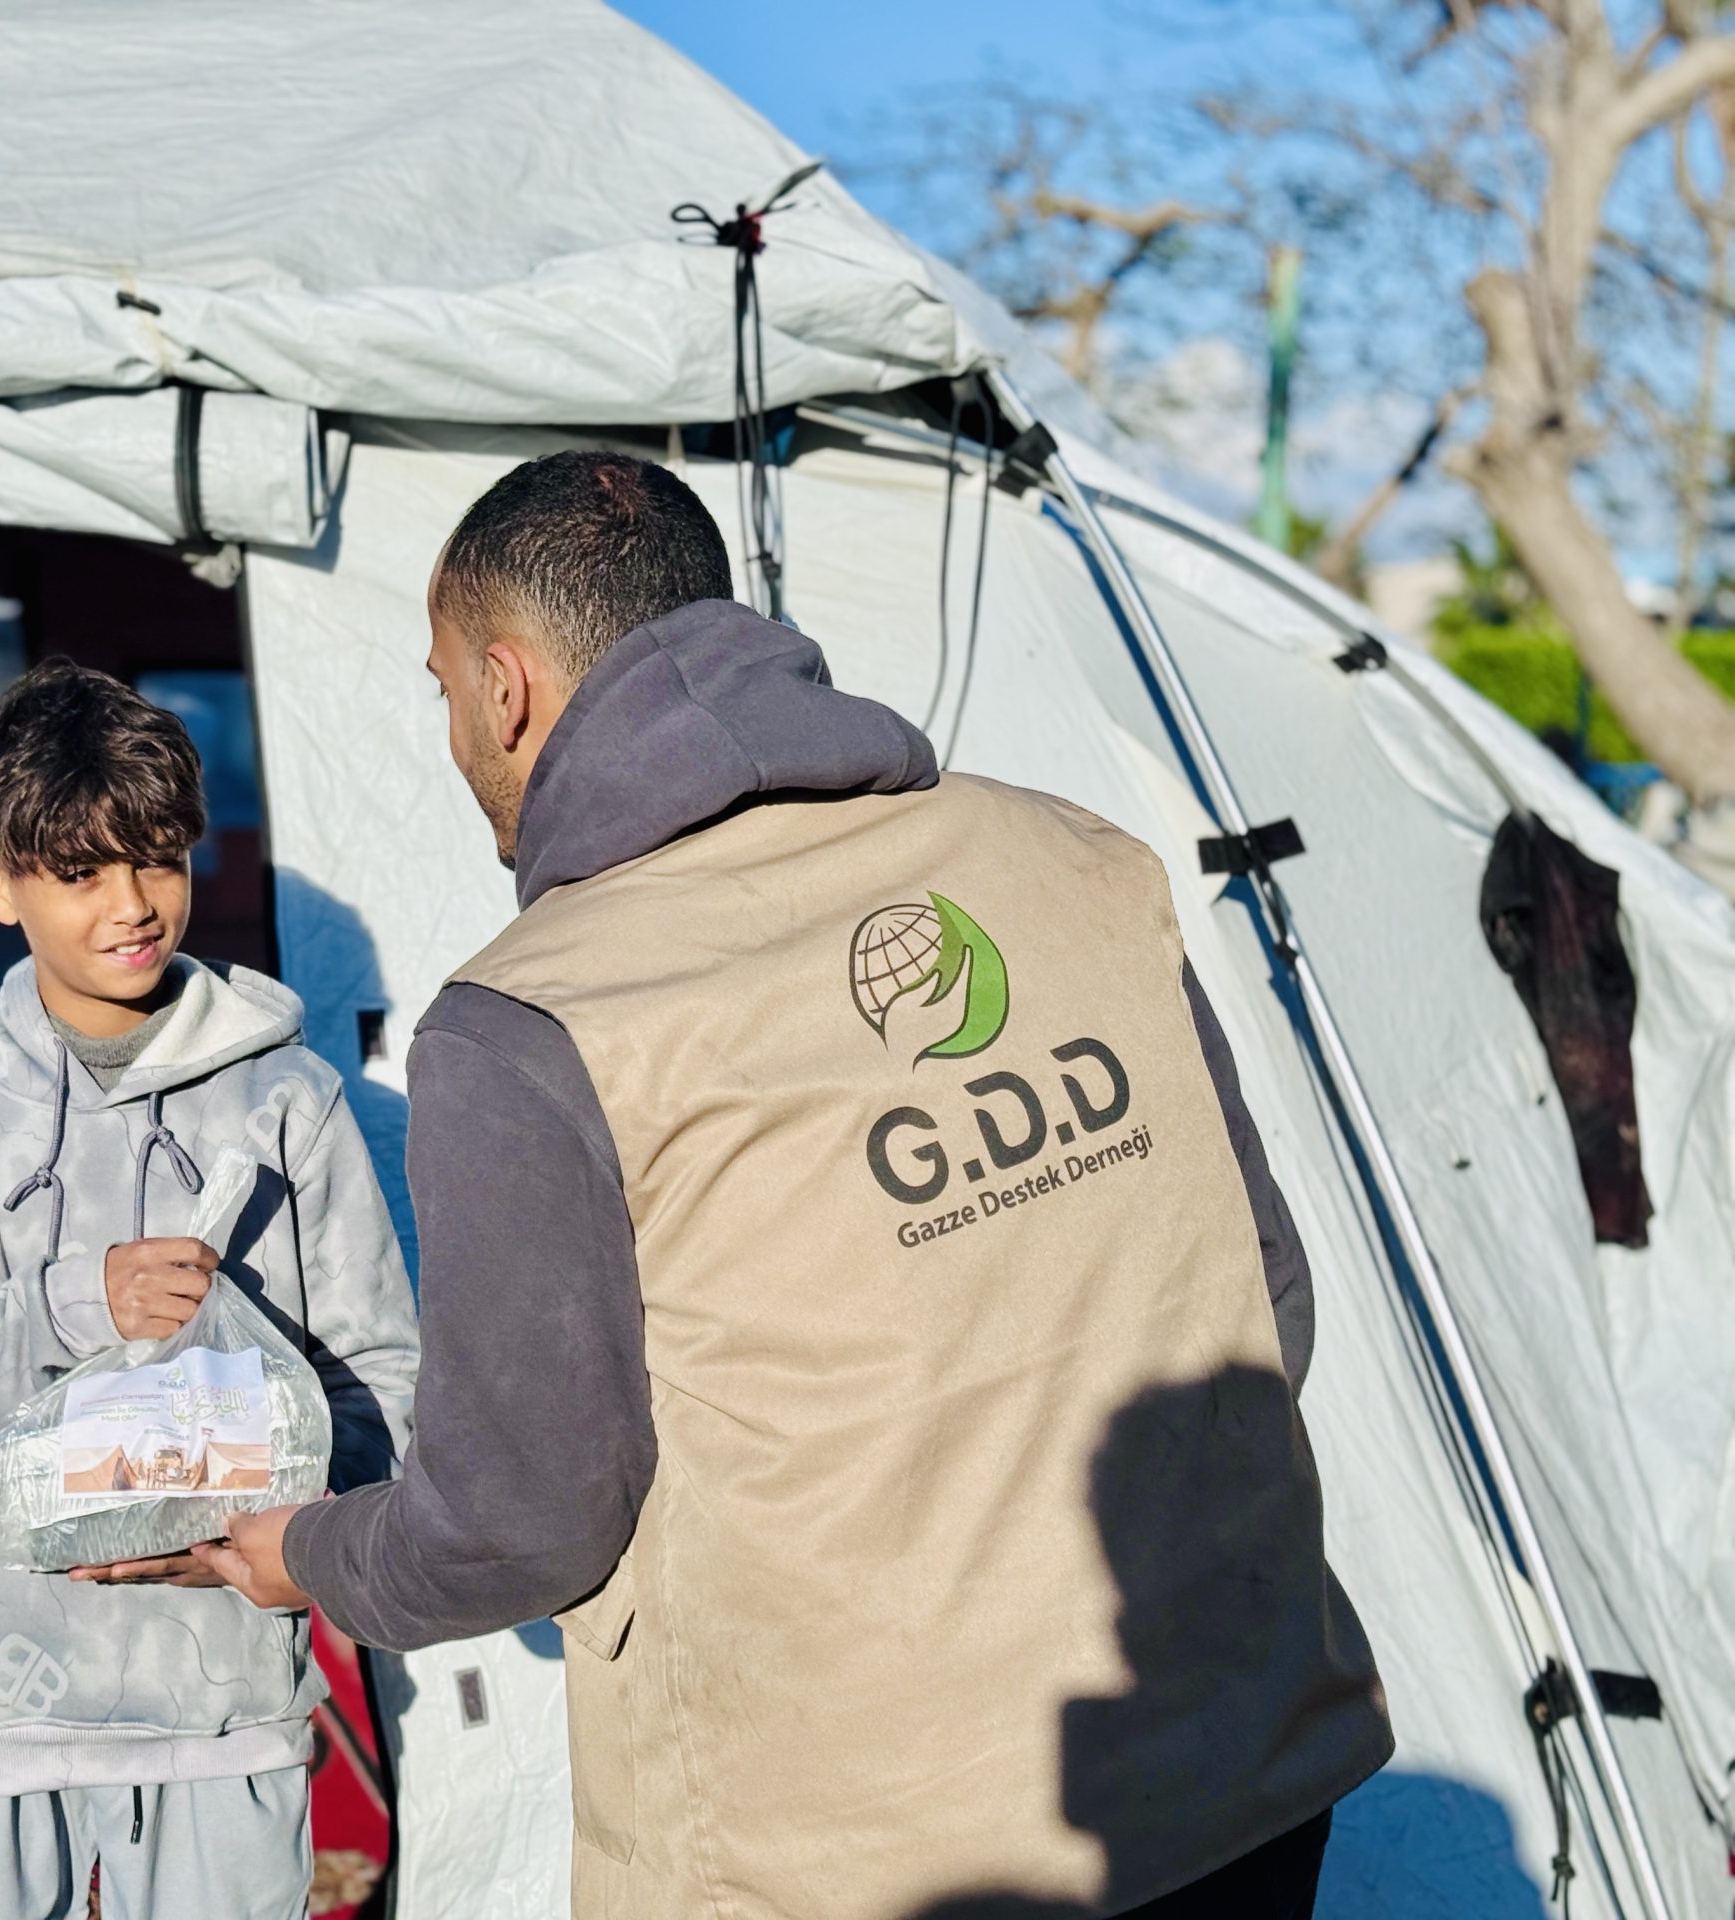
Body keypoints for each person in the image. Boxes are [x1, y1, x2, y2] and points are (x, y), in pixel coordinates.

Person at [197, 453, 1392, 1918]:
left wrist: (307, 1552)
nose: (453, 730)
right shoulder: (1080, 862)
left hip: (861, 1857)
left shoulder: (535, 1020)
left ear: (505, 688)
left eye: (443, 687)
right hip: (1237, 1769)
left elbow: (520, 1521)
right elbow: (1260, 1299)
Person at [0, 657, 420, 1920]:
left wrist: (262, 1542)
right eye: (80, 872)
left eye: (158, 858)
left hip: (220, 1702)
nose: (132, 905)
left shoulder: (286, 1100)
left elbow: (390, 1391)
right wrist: (60, 1307)